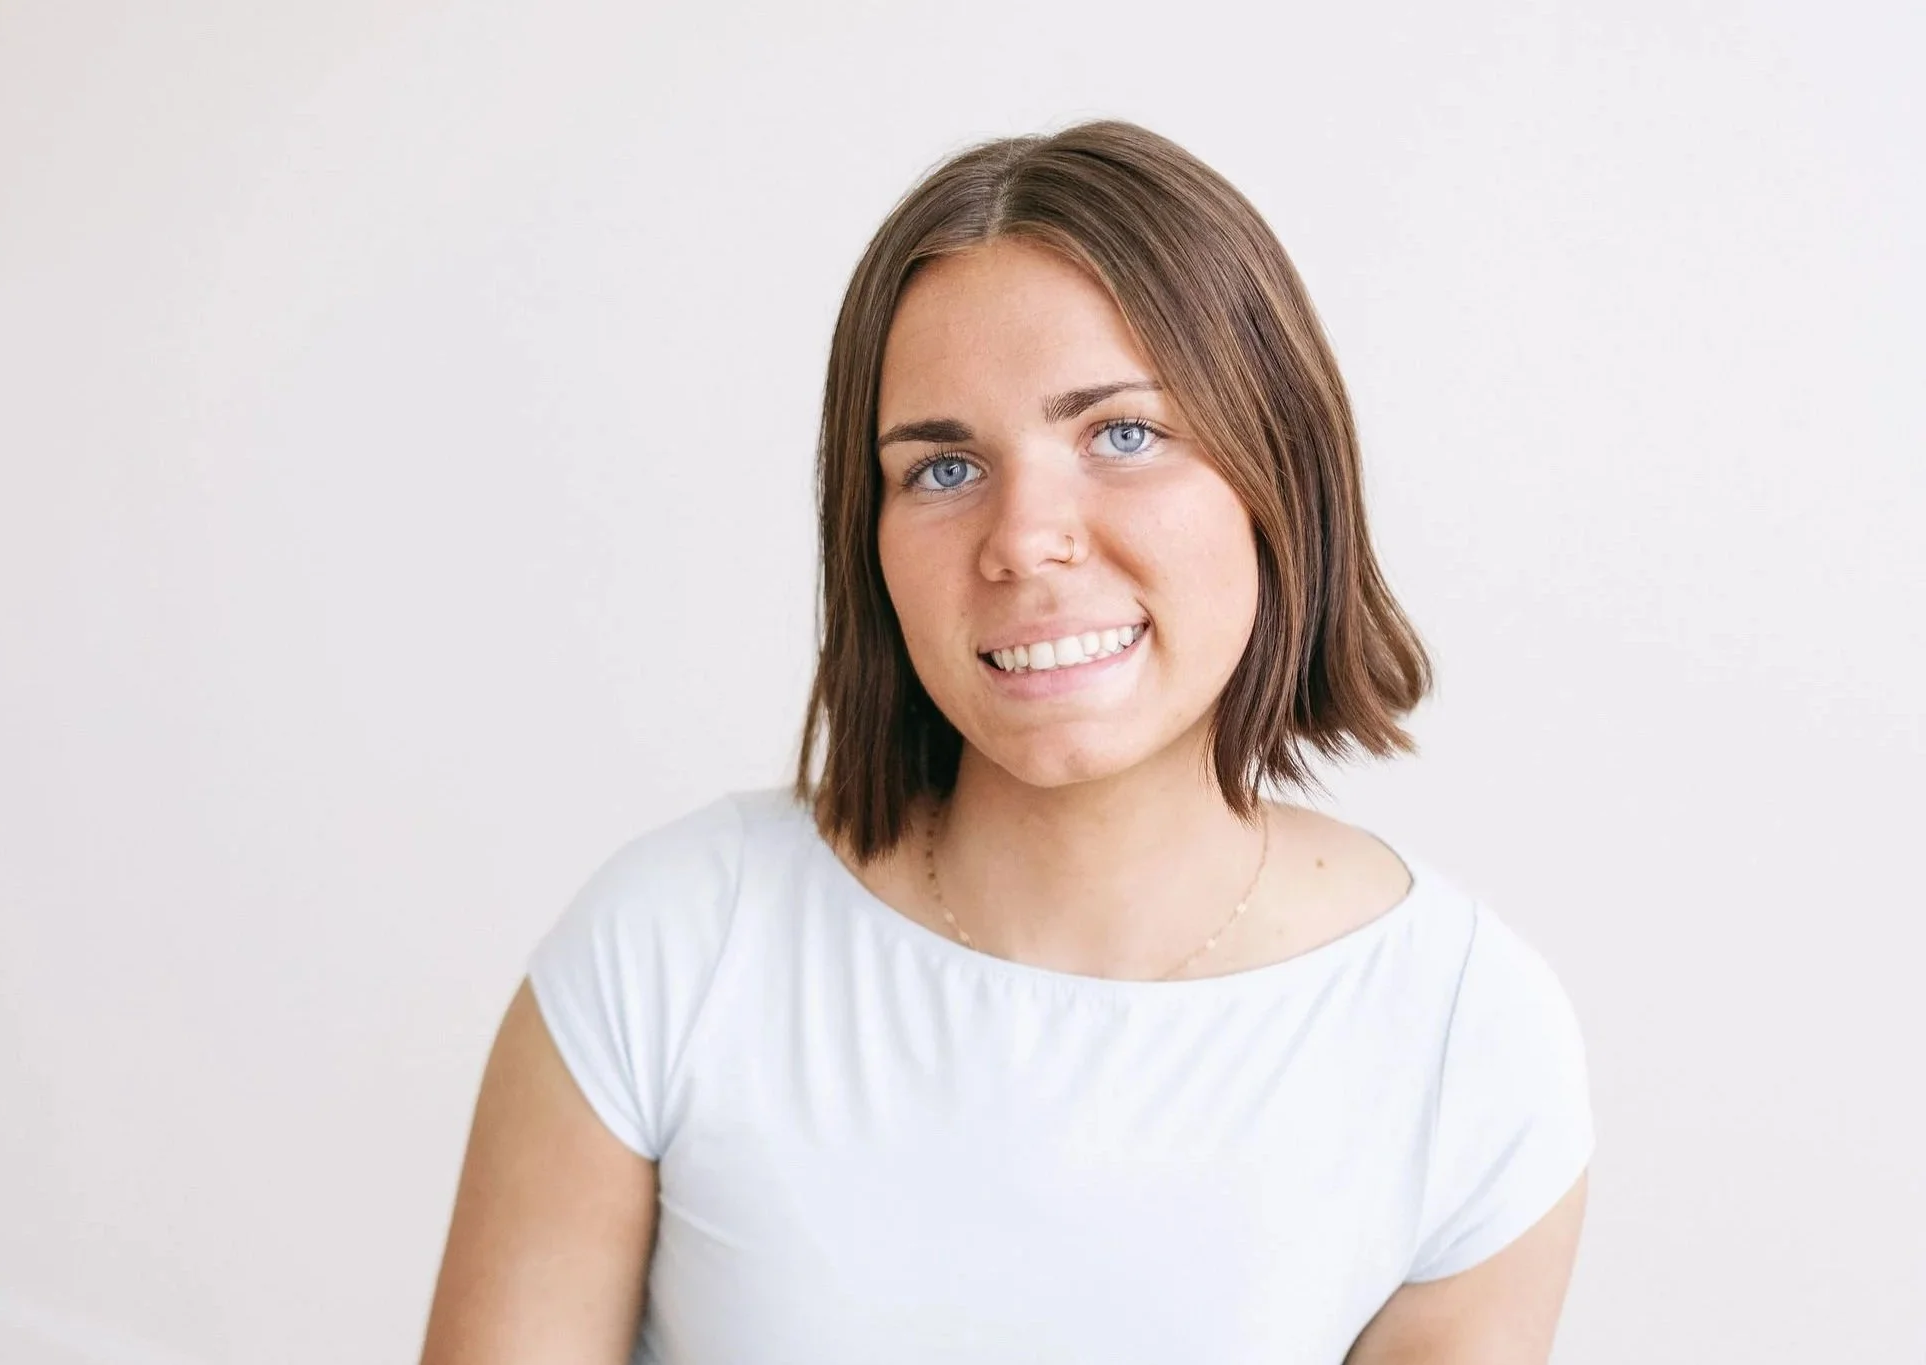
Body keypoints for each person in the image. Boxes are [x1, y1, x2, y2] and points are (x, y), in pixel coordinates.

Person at [419, 119, 1595, 1365]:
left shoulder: (1462, 1034)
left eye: (1122, 435)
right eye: (939, 468)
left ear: (1277, 474)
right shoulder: (670, 950)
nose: (1024, 538)